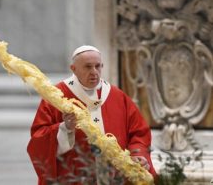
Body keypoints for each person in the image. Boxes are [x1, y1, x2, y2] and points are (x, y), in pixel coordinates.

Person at [27, 45, 156, 184]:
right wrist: (65, 128)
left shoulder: (116, 96)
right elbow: (38, 140)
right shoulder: (56, 96)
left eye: (98, 66)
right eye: (88, 67)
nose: (94, 72)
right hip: (74, 177)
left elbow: (139, 133)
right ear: (73, 69)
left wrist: (138, 155)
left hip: (114, 178)